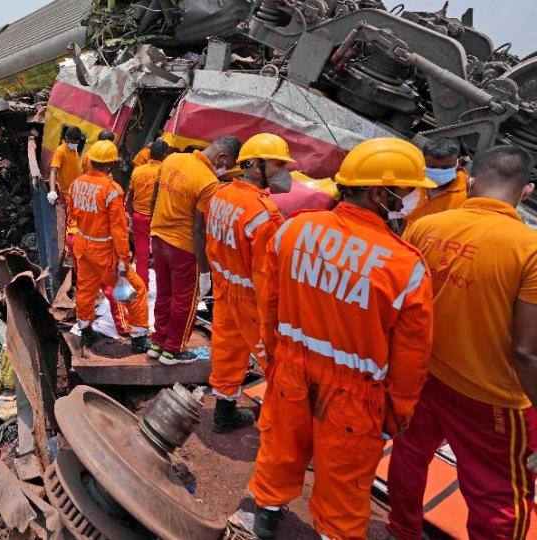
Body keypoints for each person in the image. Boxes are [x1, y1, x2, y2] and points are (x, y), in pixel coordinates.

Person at [248, 138, 435, 540]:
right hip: (354, 398)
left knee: (279, 452)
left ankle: (263, 519)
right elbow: (411, 357)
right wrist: (396, 414)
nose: (407, 199)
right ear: (377, 192)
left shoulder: (294, 230)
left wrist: (275, 359)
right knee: (344, 488)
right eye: (402, 192)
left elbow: (270, 304)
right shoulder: (405, 266)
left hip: (291, 372)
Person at [387, 145, 537, 540]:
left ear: (469, 181)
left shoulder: (424, 226)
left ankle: (401, 529)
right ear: (526, 192)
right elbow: (525, 350)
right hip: (492, 397)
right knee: (499, 495)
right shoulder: (530, 250)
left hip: (423, 374)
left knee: (409, 454)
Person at [205, 142, 284, 433]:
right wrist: (276, 320)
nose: (284, 172)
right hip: (252, 298)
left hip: (225, 287)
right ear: (256, 164)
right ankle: (277, 427)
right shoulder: (264, 213)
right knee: (275, 361)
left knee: (227, 349)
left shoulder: (221, 194)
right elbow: (268, 277)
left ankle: (224, 413)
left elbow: (212, 242)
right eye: (279, 164)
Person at [147, 137, 239, 364]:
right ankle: (173, 350)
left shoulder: (172, 159)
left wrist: (153, 225)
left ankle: (157, 342)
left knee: (164, 294)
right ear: (222, 157)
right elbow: (199, 230)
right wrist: (205, 271)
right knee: (184, 301)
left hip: (158, 239)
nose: (225, 169)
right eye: (228, 164)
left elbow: (154, 197)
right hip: (183, 248)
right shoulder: (208, 182)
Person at [68, 140, 150, 353]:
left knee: (86, 290)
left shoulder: (77, 183)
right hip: (104, 253)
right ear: (109, 165)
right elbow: (118, 230)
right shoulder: (112, 190)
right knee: (135, 291)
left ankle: (85, 331)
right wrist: (124, 258)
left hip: (83, 246)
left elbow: (72, 215)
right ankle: (139, 338)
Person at [236, 133, 337, 217]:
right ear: (258, 166)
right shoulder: (260, 209)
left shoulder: (224, 192)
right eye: (279, 165)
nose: (284, 171)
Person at [127, 139, 168, 287]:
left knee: (142, 254)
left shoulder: (138, 171)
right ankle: (163, 286)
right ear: (164, 155)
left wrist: (130, 216)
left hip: (139, 217)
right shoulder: (166, 173)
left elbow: (130, 196)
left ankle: (141, 285)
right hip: (159, 218)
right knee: (162, 254)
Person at [404, 137, 468, 225]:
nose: (439, 172)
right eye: (432, 167)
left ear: (459, 162)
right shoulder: (414, 180)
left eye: (446, 167)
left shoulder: (468, 193)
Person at [49, 126, 84, 269]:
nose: (76, 144)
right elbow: (53, 170)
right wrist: (52, 191)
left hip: (76, 193)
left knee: (74, 223)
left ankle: (70, 252)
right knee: (71, 225)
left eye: (77, 141)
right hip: (67, 194)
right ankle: (69, 254)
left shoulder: (73, 149)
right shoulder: (61, 151)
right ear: (67, 139)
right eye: (74, 141)